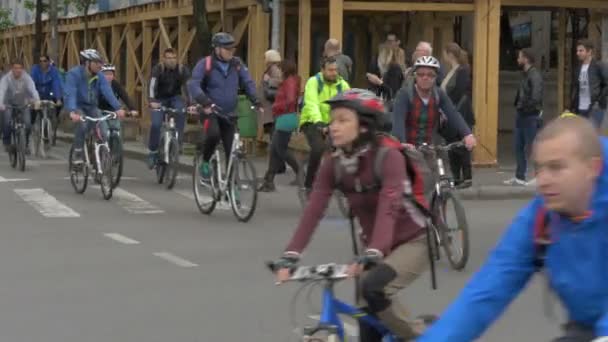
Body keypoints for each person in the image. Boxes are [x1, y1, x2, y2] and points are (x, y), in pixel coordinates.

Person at [419, 115, 608, 342]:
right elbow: (487, 290)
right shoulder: (541, 216)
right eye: (539, 168)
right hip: (586, 327)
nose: (544, 180)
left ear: (592, 167)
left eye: (557, 167)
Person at [273, 89, 433, 341]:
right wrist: (290, 255)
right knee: (366, 322)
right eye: (332, 119)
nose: (332, 126)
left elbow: (389, 206)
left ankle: (420, 336)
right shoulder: (333, 163)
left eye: (343, 120)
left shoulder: (388, 156)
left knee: (373, 288)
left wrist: (374, 251)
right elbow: (314, 210)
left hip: (413, 240)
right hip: (373, 246)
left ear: (364, 127)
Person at [187, 32, 262, 180]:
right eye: (227, 49)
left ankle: (232, 189)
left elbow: (248, 82)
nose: (230, 52)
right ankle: (206, 161)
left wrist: (256, 100)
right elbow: (193, 84)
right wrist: (204, 102)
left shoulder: (237, 64)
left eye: (232, 49)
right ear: (217, 49)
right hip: (211, 111)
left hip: (230, 113)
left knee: (231, 149)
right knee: (214, 134)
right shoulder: (205, 64)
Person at [391, 56, 476, 150]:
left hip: (429, 147)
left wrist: (467, 134)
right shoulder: (404, 95)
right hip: (408, 148)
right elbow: (398, 121)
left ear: (435, 77)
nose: (425, 78)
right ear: (415, 76)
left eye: (430, 75)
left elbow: (453, 114)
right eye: (420, 74)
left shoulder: (439, 94)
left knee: (443, 163)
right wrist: (401, 143)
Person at [298, 56, 350, 192]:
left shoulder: (342, 85)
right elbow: (311, 103)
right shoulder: (314, 82)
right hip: (311, 121)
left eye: (336, 70)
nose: (334, 73)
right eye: (330, 70)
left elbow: (350, 104)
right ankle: (308, 184)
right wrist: (319, 122)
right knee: (318, 148)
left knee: (349, 148)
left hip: (332, 122)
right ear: (322, 70)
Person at [64, 49, 126, 164]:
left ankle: (100, 158)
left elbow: (107, 91)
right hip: (78, 106)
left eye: (100, 62)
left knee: (103, 130)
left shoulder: (100, 76)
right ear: (87, 63)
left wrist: (118, 108)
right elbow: (70, 93)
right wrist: (72, 111)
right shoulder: (74, 74)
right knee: (82, 125)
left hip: (92, 106)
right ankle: (78, 152)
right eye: (96, 62)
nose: (100, 65)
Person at [258, 59, 301, 192]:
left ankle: (301, 173)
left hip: (285, 117)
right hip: (286, 117)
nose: (279, 71)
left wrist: (277, 106)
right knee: (275, 149)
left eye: (281, 69)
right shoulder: (290, 81)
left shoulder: (289, 82)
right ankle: (268, 181)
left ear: (285, 70)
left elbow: (290, 100)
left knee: (280, 150)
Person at [504, 48, 543, 187]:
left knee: (533, 147)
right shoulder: (526, 74)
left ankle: (539, 177)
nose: (517, 60)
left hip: (530, 116)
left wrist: (526, 108)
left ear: (526, 59)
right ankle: (519, 177)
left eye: (519, 57)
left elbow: (536, 96)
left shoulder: (534, 75)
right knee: (518, 146)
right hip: (522, 115)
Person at [147, 48, 191, 168]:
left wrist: (192, 104)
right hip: (159, 99)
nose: (172, 61)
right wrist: (152, 101)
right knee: (156, 124)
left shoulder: (182, 70)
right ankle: (153, 151)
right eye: (169, 58)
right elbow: (151, 85)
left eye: (174, 58)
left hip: (174, 98)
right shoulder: (158, 69)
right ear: (164, 59)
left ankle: (178, 143)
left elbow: (189, 87)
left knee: (181, 111)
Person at [441, 42, 475, 188]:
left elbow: (461, 93)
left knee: (462, 145)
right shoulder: (452, 70)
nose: (443, 57)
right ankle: (456, 178)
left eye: (444, 54)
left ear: (450, 54)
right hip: (451, 113)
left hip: (460, 113)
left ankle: (466, 178)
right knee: (452, 146)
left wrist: (451, 110)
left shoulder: (463, 70)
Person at [0, 60, 40, 152]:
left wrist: (37, 101)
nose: (18, 70)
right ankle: (7, 142)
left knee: (28, 124)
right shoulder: (6, 79)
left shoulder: (27, 78)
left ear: (23, 69)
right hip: (8, 103)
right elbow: (1, 91)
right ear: (12, 69)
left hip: (23, 103)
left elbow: (33, 90)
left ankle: (24, 145)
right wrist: (1, 103)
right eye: (15, 68)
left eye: (20, 68)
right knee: (7, 122)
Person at [570, 39, 608, 129]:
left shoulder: (599, 66)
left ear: (589, 51)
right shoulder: (578, 68)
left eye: (581, 50)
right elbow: (575, 88)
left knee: (592, 134)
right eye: (577, 51)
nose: (577, 53)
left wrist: (598, 100)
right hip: (580, 108)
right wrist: (572, 105)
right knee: (581, 134)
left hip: (595, 108)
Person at [259, 49, 283, 136]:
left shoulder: (274, 69)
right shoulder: (271, 68)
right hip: (269, 107)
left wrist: (269, 80)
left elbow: (280, 82)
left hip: (271, 107)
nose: (264, 60)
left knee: (273, 132)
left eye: (265, 57)